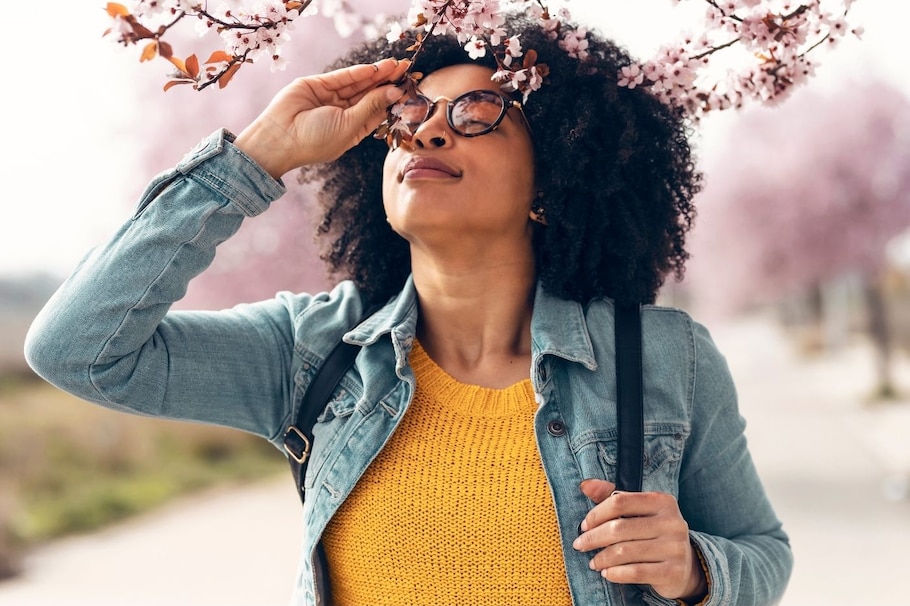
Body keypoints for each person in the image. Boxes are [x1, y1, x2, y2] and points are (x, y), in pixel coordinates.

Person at [25, 13, 792, 606]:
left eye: (476, 113)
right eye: (409, 116)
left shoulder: (665, 357)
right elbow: (77, 349)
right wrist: (254, 159)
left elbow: (761, 550)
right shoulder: (310, 351)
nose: (427, 128)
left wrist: (697, 569)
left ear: (554, 177)